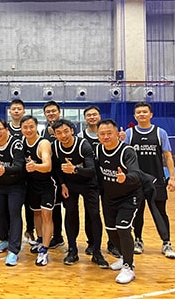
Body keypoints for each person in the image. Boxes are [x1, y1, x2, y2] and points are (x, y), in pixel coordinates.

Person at [51, 119, 109, 268]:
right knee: (70, 213)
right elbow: (57, 170)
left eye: (65, 131)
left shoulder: (83, 145)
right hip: (69, 185)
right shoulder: (55, 147)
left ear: (72, 130)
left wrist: (75, 170)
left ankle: (97, 252)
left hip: (88, 183)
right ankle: (72, 250)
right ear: (55, 135)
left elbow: (91, 171)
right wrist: (62, 184)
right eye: (58, 133)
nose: (63, 135)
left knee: (94, 215)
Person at [122, 102, 175, 258]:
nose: (142, 114)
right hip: (136, 182)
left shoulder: (160, 133)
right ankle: (138, 241)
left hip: (156, 181)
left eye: (145, 112)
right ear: (135, 116)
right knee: (137, 213)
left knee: (161, 212)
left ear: (151, 115)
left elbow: (167, 156)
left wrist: (172, 177)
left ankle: (166, 243)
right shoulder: (129, 133)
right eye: (138, 112)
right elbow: (123, 156)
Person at [95, 119, 143, 284]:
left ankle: (129, 267)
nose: (106, 136)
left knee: (123, 228)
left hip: (130, 196)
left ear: (117, 134)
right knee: (111, 231)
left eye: (109, 133)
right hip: (109, 198)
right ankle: (124, 257)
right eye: (102, 134)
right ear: (98, 135)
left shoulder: (127, 151)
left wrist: (125, 177)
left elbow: (136, 174)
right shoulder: (99, 150)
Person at [78, 105, 120, 258]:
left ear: (100, 116)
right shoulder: (81, 137)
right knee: (91, 214)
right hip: (90, 181)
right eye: (88, 115)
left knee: (111, 213)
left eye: (94, 114)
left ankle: (113, 244)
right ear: (85, 118)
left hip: (109, 180)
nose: (91, 117)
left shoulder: (110, 136)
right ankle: (92, 243)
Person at [0, 119, 25, 266]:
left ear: (6, 129)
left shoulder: (16, 144)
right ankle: (4, 239)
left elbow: (19, 166)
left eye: (0, 129)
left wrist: (5, 170)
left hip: (16, 186)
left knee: (14, 213)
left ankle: (14, 250)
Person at [20, 115, 56, 267]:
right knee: (36, 213)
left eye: (31, 127)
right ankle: (40, 240)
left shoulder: (43, 143)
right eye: (25, 127)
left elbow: (48, 165)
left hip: (47, 184)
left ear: (36, 127)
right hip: (32, 185)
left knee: (46, 215)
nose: (28, 130)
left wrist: (35, 166)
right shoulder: (22, 142)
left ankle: (45, 250)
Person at [8, 99, 36, 245]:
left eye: (19, 108)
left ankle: (30, 230)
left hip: (30, 172)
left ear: (24, 111)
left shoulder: (29, 128)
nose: (17, 111)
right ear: (10, 112)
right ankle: (10, 233)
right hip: (12, 174)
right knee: (13, 206)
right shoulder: (6, 129)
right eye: (14, 109)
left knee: (30, 204)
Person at [40, 101, 65, 249]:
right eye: (48, 111)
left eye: (53, 111)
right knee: (54, 207)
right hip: (51, 175)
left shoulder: (66, 128)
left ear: (59, 112)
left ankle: (69, 239)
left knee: (68, 207)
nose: (51, 113)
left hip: (67, 173)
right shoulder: (44, 132)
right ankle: (57, 236)